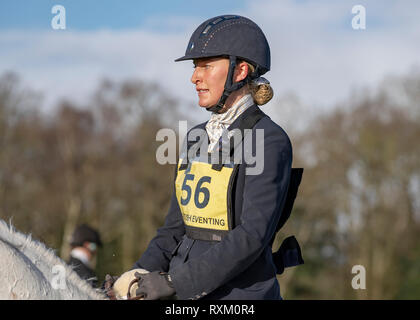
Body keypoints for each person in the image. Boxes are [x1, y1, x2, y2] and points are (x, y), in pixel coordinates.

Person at [109, 14, 304, 300]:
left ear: (240, 72)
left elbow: (252, 235)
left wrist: (175, 282)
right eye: (194, 67)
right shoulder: (195, 137)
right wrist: (135, 276)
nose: (194, 77)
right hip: (185, 291)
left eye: (206, 65)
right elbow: (176, 227)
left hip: (239, 297)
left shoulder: (269, 139)